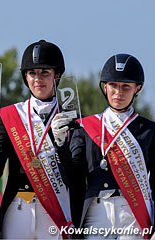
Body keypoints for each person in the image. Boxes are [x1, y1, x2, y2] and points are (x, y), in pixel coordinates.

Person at [0, 40, 76, 239]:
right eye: (32, 73)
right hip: (19, 208)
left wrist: (62, 146)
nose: (38, 79)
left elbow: (77, 174)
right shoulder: (11, 117)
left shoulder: (71, 120)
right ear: (25, 77)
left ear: (57, 75)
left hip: (57, 206)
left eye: (45, 72)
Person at [69, 53, 155, 239]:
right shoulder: (85, 128)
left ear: (137, 88)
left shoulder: (149, 130)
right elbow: (72, 176)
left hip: (134, 213)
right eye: (113, 86)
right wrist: (61, 144)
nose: (118, 93)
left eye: (126, 87)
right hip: (97, 211)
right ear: (105, 87)